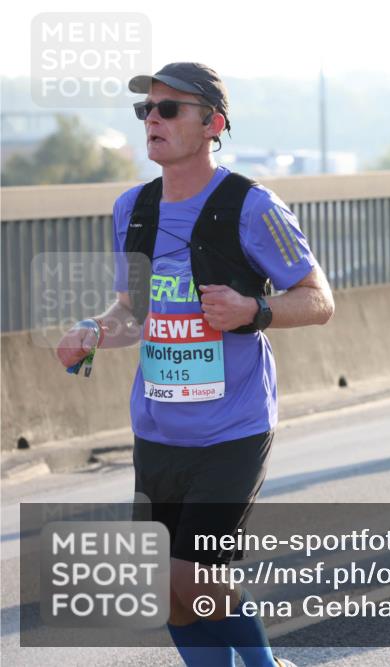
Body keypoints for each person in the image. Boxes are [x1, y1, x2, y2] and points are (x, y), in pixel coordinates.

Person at [55, 63, 333, 667]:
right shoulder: (132, 208)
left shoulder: (254, 207)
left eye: (169, 108)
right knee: (168, 591)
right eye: (145, 111)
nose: (152, 118)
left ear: (214, 123)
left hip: (232, 428)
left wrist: (252, 309)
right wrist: (95, 330)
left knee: (198, 577)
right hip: (157, 429)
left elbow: (318, 300)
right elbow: (132, 312)